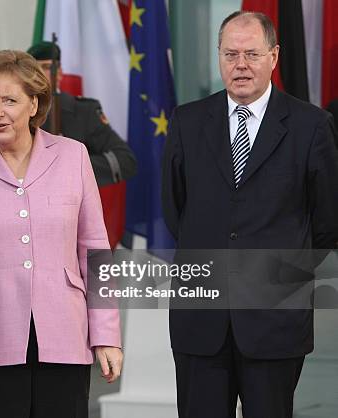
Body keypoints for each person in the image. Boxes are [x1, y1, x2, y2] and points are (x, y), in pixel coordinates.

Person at [162, 11, 338, 418]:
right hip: (200, 317)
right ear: (219, 57)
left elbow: (327, 224)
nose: (240, 65)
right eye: (230, 54)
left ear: (274, 56)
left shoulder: (312, 126)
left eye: (252, 54)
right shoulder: (186, 122)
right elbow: (176, 210)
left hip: (275, 317)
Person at [0, 50, 123, 418]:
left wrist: (106, 336)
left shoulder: (74, 155)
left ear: (34, 103)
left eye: (9, 100)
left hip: (65, 337)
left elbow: (95, 252)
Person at [27, 41, 136, 186]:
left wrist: (72, 164)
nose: (38, 74)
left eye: (46, 67)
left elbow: (124, 160)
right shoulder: (19, 111)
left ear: (59, 73)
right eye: (32, 69)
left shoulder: (83, 111)